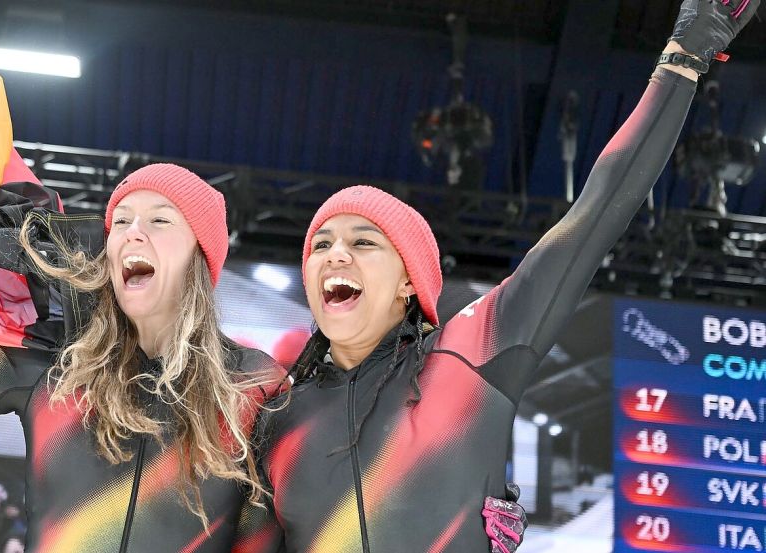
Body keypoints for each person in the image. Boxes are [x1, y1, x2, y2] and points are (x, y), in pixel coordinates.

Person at [238, 1, 760, 551]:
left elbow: (592, 219)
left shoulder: (468, 353)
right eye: (320, 245)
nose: (334, 255)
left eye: (363, 242)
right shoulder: (276, 420)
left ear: (409, 281)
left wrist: (686, 55)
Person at [0, 164, 285, 552]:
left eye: (160, 220)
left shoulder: (252, 382)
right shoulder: (58, 363)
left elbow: (260, 533)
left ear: (201, 253)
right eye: (122, 221)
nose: (133, 231)